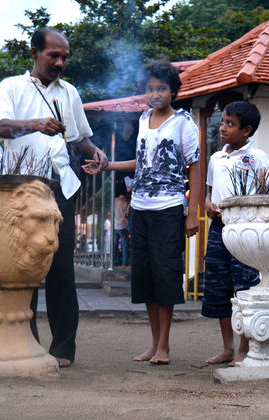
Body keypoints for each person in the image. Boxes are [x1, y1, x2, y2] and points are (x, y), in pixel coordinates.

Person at [0, 27, 107, 368]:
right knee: (24, 268)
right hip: (21, 188)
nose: (60, 62)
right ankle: (27, 344)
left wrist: (95, 152)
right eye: (53, 55)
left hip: (60, 189)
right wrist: (36, 123)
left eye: (64, 57)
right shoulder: (11, 86)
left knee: (60, 268)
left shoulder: (69, 92)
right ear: (34, 53)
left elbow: (80, 138)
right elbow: (1, 128)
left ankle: (63, 349)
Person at [84, 59, 201, 364]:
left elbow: (195, 168)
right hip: (140, 208)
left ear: (173, 91)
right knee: (146, 277)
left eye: (161, 88)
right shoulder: (143, 119)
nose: (155, 94)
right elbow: (142, 162)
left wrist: (192, 214)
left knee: (165, 275)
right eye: (149, 89)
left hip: (169, 209)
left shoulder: (184, 122)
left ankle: (164, 346)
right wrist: (108, 165)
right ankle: (153, 343)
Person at [202, 101, 268, 366]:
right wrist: (207, 205)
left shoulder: (256, 157)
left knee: (244, 287)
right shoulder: (216, 158)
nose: (223, 128)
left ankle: (245, 348)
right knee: (219, 286)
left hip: (245, 230)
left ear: (247, 130)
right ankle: (228, 348)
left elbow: (265, 195)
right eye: (222, 122)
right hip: (218, 229)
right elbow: (209, 191)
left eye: (230, 124)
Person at [113, 186, 131, 267]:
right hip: (122, 225)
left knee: (115, 244)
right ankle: (124, 262)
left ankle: (115, 262)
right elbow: (126, 214)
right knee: (124, 244)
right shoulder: (125, 201)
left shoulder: (114, 200)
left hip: (115, 225)